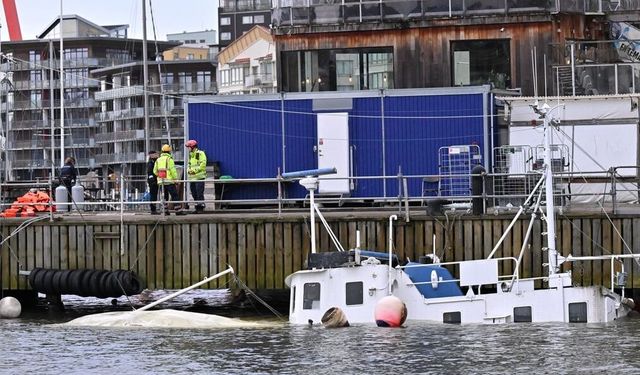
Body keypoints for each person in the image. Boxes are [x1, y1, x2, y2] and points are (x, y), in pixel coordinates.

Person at [153, 144, 184, 215]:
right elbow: (173, 171)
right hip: (169, 181)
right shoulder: (169, 159)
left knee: (164, 197)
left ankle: (165, 211)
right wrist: (176, 180)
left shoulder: (158, 160)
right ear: (169, 152)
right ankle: (178, 211)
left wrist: (160, 176)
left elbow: (154, 171)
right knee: (174, 195)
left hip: (161, 182)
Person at [185, 139, 207, 213]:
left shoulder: (200, 153)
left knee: (199, 193)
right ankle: (197, 207)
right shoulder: (191, 155)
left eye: (189, 147)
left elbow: (203, 164)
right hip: (192, 178)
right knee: (194, 193)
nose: (188, 149)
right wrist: (188, 170)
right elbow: (189, 165)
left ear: (193, 147)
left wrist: (194, 171)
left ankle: (200, 208)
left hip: (199, 177)